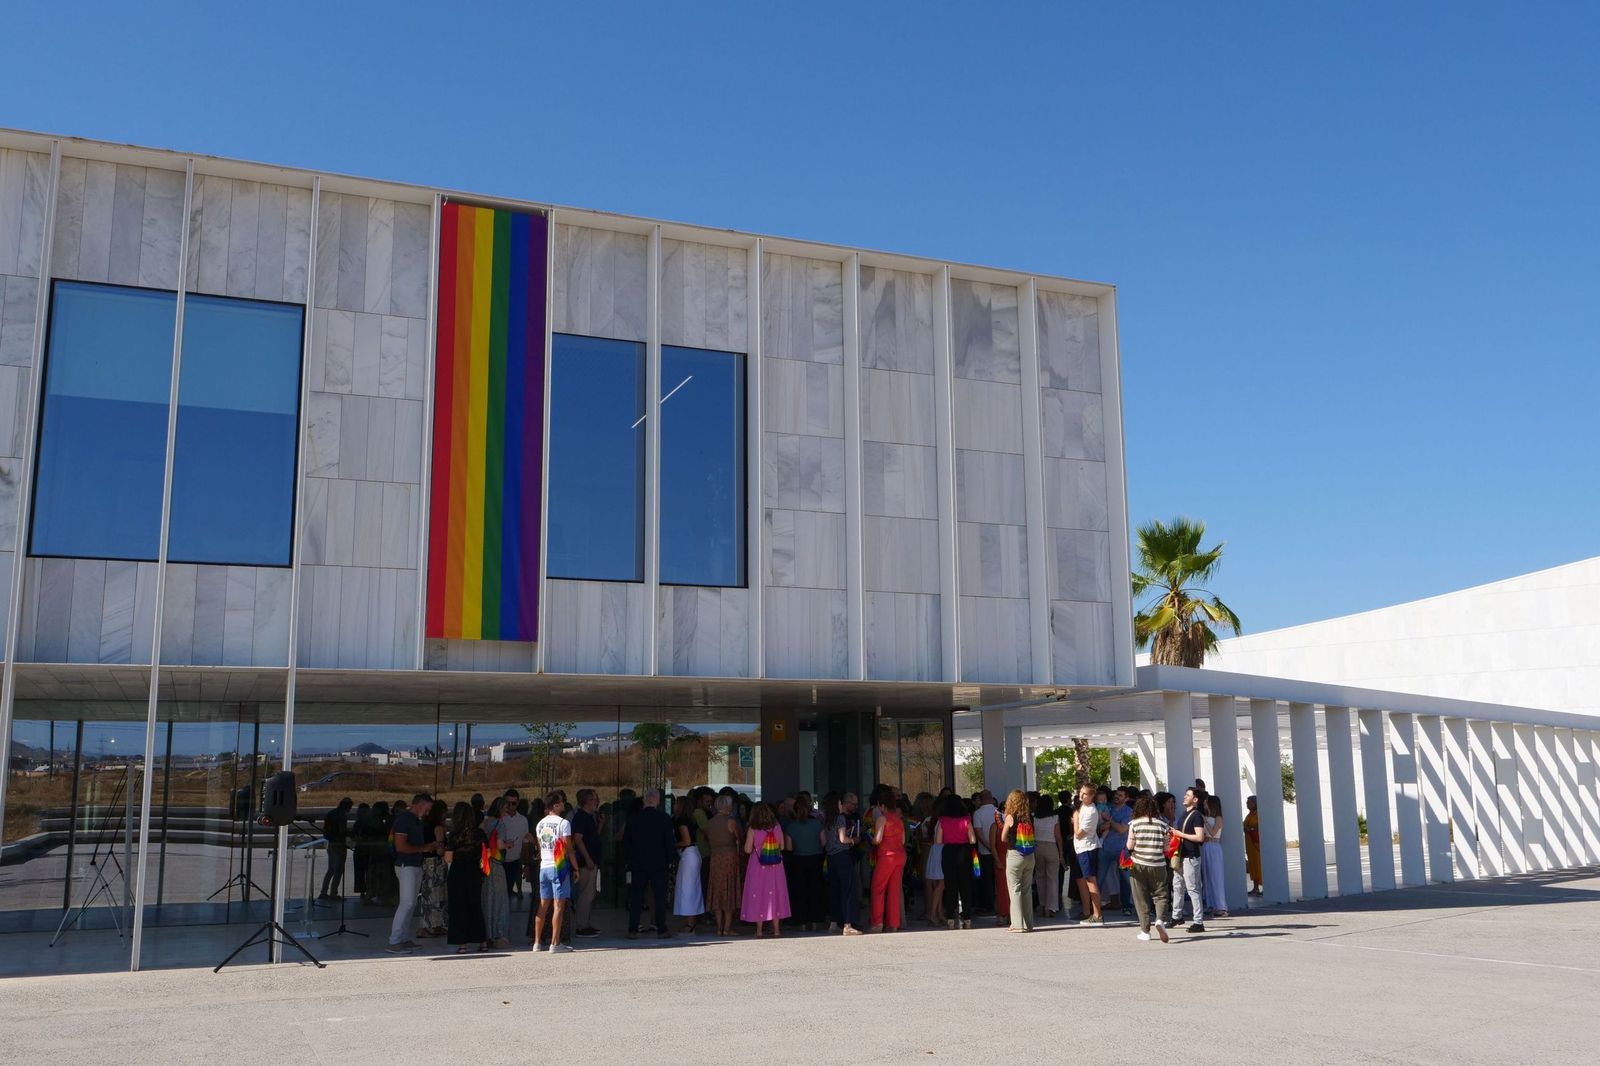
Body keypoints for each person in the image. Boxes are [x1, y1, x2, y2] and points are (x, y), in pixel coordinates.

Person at [619, 787, 676, 940]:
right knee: (659, 896)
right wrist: (671, 859)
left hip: (638, 863)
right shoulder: (664, 818)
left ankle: (632, 929)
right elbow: (669, 842)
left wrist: (628, 861)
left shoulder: (634, 819)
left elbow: (626, 843)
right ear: (657, 801)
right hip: (659, 863)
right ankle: (661, 928)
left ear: (644, 800)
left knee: (636, 897)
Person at [386, 791, 437, 953]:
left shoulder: (416, 821)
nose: (428, 812)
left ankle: (403, 938)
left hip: (414, 864)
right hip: (405, 865)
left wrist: (425, 848)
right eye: (427, 809)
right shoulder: (404, 820)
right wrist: (423, 848)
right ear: (420, 805)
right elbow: (401, 846)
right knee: (407, 903)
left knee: (411, 903)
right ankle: (394, 941)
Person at [741, 802, 791, 937]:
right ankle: (776, 930)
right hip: (776, 866)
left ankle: (759, 930)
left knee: (758, 894)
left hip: (757, 865)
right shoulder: (777, 827)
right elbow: (782, 847)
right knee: (774, 894)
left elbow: (747, 850)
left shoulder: (752, 829)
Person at [1126, 795, 1171, 943]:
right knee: (1161, 895)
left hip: (1138, 864)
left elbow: (1130, 846)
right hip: (1158, 865)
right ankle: (1159, 920)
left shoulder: (1134, 824)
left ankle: (1145, 931)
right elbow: (1166, 848)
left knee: (1141, 897)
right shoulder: (1163, 825)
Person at [445, 801, 486, 953]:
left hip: (457, 873)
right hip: (475, 872)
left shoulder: (455, 835)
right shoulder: (480, 834)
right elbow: (486, 854)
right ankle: (482, 941)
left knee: (458, 908)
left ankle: (462, 944)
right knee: (475, 907)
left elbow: (448, 858)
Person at [782, 793, 826, 930]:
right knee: (815, 891)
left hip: (798, 860)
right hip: (816, 859)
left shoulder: (791, 827)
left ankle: (801, 921)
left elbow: (788, 847)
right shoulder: (817, 824)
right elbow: (824, 842)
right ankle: (814, 920)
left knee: (800, 892)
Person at [934, 793, 977, 928]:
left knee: (950, 885)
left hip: (948, 852)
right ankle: (968, 919)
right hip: (964, 851)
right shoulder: (966, 820)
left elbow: (938, 841)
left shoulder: (942, 820)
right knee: (965, 886)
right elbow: (973, 839)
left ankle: (951, 919)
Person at [824, 792, 864, 935]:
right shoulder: (840, 818)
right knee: (847, 890)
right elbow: (843, 839)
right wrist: (854, 840)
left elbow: (824, 840)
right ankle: (847, 924)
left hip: (831, 857)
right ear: (838, 804)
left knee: (834, 890)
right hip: (842, 855)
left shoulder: (828, 819)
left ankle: (834, 923)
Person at [1170, 786, 1208, 933]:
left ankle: (1198, 921)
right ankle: (1176, 916)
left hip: (1191, 856)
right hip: (1181, 855)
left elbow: (1200, 837)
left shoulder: (1196, 815)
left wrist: (1179, 834)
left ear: (1195, 799)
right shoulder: (1183, 814)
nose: (1184, 797)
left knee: (1193, 888)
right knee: (1177, 886)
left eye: (1188, 795)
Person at [869, 791, 906, 933]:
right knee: (894, 890)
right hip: (899, 856)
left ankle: (877, 923)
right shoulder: (899, 820)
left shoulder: (882, 819)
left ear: (881, 805)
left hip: (886, 856)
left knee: (878, 889)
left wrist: (871, 838)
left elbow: (877, 839)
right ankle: (893, 923)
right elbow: (902, 841)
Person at [705, 794, 742, 936]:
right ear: (727, 806)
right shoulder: (731, 821)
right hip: (729, 858)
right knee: (729, 891)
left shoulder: (710, 822)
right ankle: (727, 928)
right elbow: (738, 837)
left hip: (715, 858)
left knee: (717, 892)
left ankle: (718, 928)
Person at [478, 797, 512, 949]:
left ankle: (486, 933)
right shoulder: (500, 824)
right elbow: (499, 845)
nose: (508, 810)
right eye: (506, 807)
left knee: (487, 899)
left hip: (484, 864)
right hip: (496, 864)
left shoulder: (484, 822)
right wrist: (508, 844)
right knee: (500, 900)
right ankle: (499, 934)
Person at [999, 789, 1035, 932]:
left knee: (1015, 890)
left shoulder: (1010, 817)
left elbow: (1003, 837)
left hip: (1015, 855)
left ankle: (1017, 925)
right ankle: (1028, 924)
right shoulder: (1029, 817)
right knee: (1027, 890)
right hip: (1030, 856)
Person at [569, 788, 603, 938]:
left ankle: (586, 923)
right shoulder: (581, 817)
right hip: (585, 862)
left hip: (591, 860)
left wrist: (600, 824)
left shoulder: (590, 817)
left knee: (590, 894)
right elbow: (577, 839)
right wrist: (588, 858)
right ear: (586, 802)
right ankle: (581, 926)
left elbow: (593, 837)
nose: (596, 802)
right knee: (585, 894)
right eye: (593, 800)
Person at [1072, 783, 1104, 924]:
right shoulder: (1082, 807)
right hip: (1081, 848)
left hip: (1087, 848)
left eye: (1085, 794)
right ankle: (1089, 911)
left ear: (1091, 796)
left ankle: (1097, 915)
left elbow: (1078, 833)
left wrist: (1075, 818)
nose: (1081, 795)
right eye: (1081, 792)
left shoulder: (1091, 811)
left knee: (1091, 881)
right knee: (1085, 880)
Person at [417, 798, 449, 938]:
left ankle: (427, 924)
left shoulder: (425, 826)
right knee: (437, 895)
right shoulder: (438, 828)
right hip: (436, 864)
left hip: (426, 862)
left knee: (428, 894)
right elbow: (440, 850)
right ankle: (435, 925)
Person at [673, 794, 704, 934]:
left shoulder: (682, 821)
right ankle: (692, 922)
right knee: (693, 888)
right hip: (694, 853)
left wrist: (673, 845)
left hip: (688, 854)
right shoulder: (691, 819)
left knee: (687, 889)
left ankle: (689, 924)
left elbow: (686, 840)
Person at [1100, 787, 1133, 915]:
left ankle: (1127, 906)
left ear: (1126, 798)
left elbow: (1122, 829)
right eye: (1116, 794)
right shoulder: (1108, 808)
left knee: (1126, 879)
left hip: (1122, 850)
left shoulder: (1129, 812)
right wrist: (1106, 824)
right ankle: (1094, 907)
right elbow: (1102, 827)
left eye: (1120, 795)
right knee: (1100, 878)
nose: (1116, 797)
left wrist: (1110, 821)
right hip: (1106, 848)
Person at [1032, 794, 1063, 919]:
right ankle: (1051, 908)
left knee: (1040, 877)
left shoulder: (1034, 818)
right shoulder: (1055, 818)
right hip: (1051, 847)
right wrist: (1061, 853)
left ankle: (1043, 904)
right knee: (1052, 879)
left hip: (1037, 847)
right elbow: (1058, 837)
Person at [499, 788, 530, 906]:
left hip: (514, 861)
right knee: (500, 894)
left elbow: (525, 842)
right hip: (499, 862)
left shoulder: (523, 820)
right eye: (508, 803)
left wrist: (525, 864)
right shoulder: (500, 818)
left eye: (514, 803)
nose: (511, 806)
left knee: (507, 893)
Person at [319, 797, 353, 901]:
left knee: (331, 869)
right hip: (339, 844)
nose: (350, 809)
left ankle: (323, 892)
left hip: (331, 844)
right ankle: (333, 893)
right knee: (338, 870)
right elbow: (342, 831)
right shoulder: (342, 815)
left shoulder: (331, 813)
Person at [970, 790, 998, 914]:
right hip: (998, 851)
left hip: (984, 851)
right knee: (997, 879)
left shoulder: (977, 813)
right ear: (992, 799)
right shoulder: (999, 812)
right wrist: (995, 847)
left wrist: (988, 846)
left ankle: (989, 906)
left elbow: (978, 832)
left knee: (986, 879)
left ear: (980, 800)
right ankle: (999, 904)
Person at [1201, 794, 1229, 918]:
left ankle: (1221, 907)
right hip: (1206, 846)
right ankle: (1211, 904)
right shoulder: (1208, 817)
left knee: (1216, 876)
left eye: (1206, 802)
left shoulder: (1218, 818)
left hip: (1214, 846)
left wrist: (1205, 822)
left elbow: (1213, 833)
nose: (1204, 804)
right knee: (1207, 876)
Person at [1243, 795, 1263, 897]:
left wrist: (1250, 829)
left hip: (1257, 844)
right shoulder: (1249, 814)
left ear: (1254, 803)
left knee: (1259, 865)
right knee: (1253, 866)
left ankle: (1264, 886)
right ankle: (1255, 887)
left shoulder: (1259, 814)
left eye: (1249, 802)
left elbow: (1259, 826)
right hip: (1250, 844)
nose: (1247, 804)